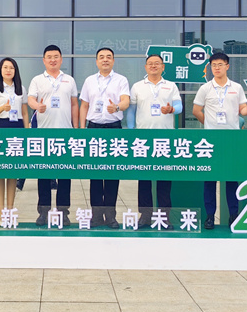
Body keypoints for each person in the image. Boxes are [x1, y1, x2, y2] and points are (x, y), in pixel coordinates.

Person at [193, 53, 247, 230]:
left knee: (231, 178)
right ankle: (210, 216)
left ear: (227, 66)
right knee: (210, 179)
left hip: (231, 139)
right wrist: (208, 124)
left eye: (220, 64)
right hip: (210, 140)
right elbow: (196, 110)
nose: (217, 68)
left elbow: (242, 110)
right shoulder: (205, 88)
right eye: (213, 65)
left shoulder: (236, 87)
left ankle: (233, 215)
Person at [27, 45, 79, 226]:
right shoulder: (37, 80)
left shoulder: (69, 80)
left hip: (65, 132)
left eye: (56, 56)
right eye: (49, 57)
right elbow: (31, 99)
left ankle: (63, 213)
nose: (53, 60)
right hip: (44, 133)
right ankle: (43, 212)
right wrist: (37, 106)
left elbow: (74, 104)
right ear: (44, 60)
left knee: (64, 175)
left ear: (61, 59)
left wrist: (76, 128)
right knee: (43, 174)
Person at [79, 48, 130, 228]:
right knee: (94, 174)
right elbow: (84, 105)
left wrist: (117, 107)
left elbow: (126, 101)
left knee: (112, 174)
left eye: (108, 57)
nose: (105, 60)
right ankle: (96, 216)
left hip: (113, 129)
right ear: (96, 61)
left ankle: (111, 216)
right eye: (101, 57)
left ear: (113, 61)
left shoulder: (121, 80)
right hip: (93, 129)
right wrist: (82, 129)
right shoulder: (89, 81)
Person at [129, 54, 182, 227]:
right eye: (150, 63)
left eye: (157, 63)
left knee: (164, 179)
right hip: (143, 139)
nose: (153, 66)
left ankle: (164, 216)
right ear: (145, 67)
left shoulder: (171, 86)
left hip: (164, 138)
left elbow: (179, 107)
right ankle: (145, 215)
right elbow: (131, 111)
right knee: (144, 179)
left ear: (163, 67)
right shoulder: (137, 86)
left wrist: (171, 109)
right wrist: (131, 132)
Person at [0, 57, 30, 221]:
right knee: (0, 171)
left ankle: (10, 210)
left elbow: (24, 112)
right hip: (0, 127)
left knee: (12, 171)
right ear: (1, 70)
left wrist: (26, 132)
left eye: (11, 67)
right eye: (5, 67)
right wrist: (2, 108)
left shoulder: (21, 88)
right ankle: (0, 210)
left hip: (17, 127)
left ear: (15, 70)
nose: (8, 70)